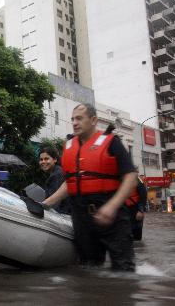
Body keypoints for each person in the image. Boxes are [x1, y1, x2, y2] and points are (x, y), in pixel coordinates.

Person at [43, 103, 137, 271]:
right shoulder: (69, 146)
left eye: (79, 118)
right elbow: (70, 182)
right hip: (81, 216)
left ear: (93, 120)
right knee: (89, 269)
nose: (74, 123)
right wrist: (46, 203)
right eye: (73, 119)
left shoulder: (111, 142)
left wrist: (111, 207)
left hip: (111, 213)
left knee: (124, 270)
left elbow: (131, 177)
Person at [38, 146, 70, 214]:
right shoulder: (56, 172)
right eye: (41, 159)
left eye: (46, 159)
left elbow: (55, 203)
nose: (43, 162)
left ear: (55, 159)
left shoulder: (57, 175)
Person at [125, 176, 147, 241]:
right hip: (122, 210)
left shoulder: (137, 179)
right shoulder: (116, 178)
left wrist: (140, 210)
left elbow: (143, 195)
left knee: (136, 236)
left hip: (135, 209)